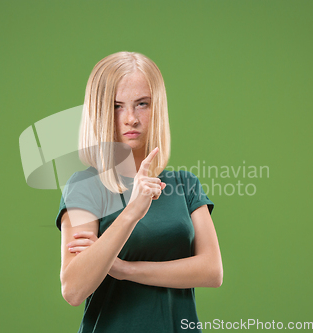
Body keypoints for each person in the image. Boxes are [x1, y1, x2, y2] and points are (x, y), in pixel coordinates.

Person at [55, 51, 223, 332]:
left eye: (141, 104)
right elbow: (74, 289)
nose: (130, 118)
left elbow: (211, 271)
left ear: (157, 107)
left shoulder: (184, 184)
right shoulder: (85, 186)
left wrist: (123, 269)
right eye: (117, 106)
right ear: (99, 110)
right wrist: (132, 212)